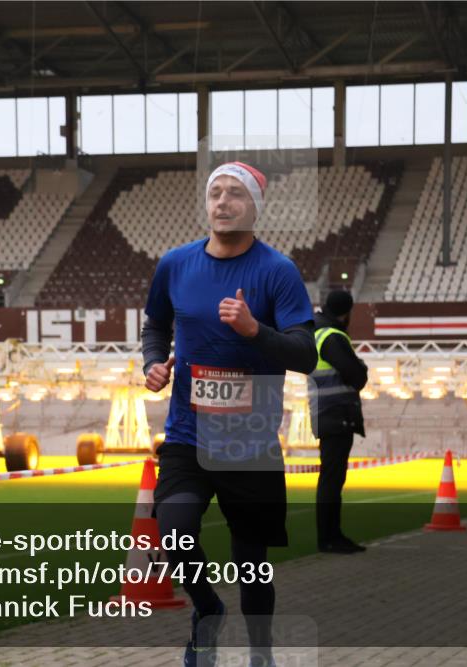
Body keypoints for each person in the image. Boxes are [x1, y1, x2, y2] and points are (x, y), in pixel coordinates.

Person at [142, 161, 316, 667]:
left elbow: (305, 354)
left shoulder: (277, 271)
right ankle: (207, 609)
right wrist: (154, 364)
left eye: (234, 193)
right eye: (214, 192)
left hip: (251, 443)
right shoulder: (175, 264)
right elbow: (155, 326)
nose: (221, 202)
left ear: (254, 207)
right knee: (173, 532)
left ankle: (261, 655)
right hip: (186, 434)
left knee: (252, 565)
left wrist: (253, 331)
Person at [309, 289, 369, 553]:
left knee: (331, 478)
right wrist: (362, 367)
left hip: (327, 413)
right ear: (345, 312)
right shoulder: (332, 336)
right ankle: (330, 538)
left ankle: (331, 535)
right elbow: (357, 375)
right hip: (336, 414)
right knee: (332, 480)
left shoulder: (318, 331)